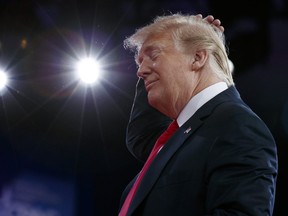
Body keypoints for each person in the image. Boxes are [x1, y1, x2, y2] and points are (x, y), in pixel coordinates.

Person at [119, 13, 278, 216]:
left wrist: (194, 35)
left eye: (154, 55)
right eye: (139, 62)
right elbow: (142, 136)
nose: (139, 72)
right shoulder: (183, 135)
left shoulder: (237, 125)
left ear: (197, 57)